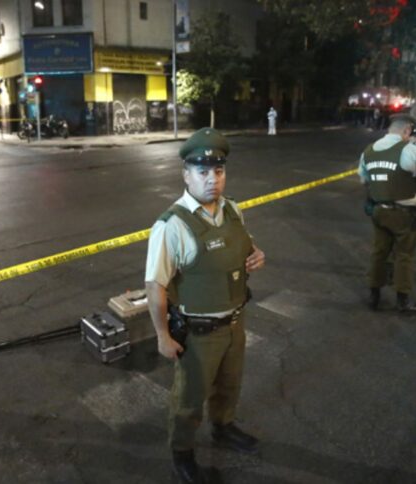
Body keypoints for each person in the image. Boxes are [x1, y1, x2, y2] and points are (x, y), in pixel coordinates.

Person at [145, 127, 266, 484]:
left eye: (219, 171)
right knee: (189, 400)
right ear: (186, 175)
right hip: (199, 333)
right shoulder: (171, 226)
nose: (212, 179)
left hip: (235, 322)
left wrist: (257, 256)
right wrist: (162, 336)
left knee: (230, 384)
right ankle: (181, 455)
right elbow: (155, 286)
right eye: (203, 172)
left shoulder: (233, 210)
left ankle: (224, 427)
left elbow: (244, 248)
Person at [359, 114, 416, 312]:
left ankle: (374, 296)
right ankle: (403, 300)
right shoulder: (412, 150)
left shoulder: (368, 151)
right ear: (407, 131)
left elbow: (364, 180)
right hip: (405, 214)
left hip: (378, 211)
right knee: (404, 255)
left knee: (379, 252)